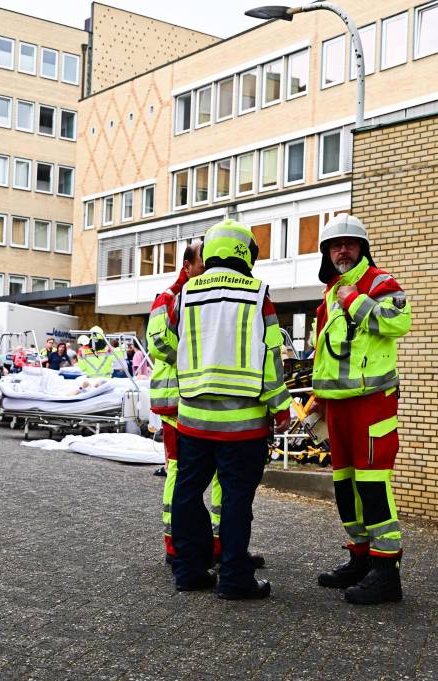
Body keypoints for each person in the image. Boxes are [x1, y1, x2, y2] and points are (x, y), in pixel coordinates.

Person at [166, 221, 291, 599]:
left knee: (187, 494)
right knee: (237, 500)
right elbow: (271, 356)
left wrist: (198, 376)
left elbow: (170, 345)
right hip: (244, 423)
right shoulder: (258, 293)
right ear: (245, 252)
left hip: (194, 418)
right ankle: (235, 579)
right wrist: (280, 405)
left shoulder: (184, 293)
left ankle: (189, 571)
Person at [311, 214, 412, 605]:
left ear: (362, 247)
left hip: (372, 403)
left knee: (372, 486)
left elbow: (398, 321)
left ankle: (387, 572)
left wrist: (354, 300)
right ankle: (360, 558)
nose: (342, 249)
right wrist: (319, 396)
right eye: (335, 245)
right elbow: (326, 349)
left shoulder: (380, 283)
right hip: (337, 407)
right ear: (326, 252)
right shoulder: (330, 290)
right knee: (345, 488)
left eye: (350, 243)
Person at [147, 241, 224, 566]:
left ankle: (223, 543)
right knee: (179, 471)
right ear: (187, 266)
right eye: (204, 266)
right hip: (177, 402)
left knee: (220, 473)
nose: (209, 273)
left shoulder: (208, 298)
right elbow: (158, 343)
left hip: (202, 399)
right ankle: (175, 543)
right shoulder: (167, 299)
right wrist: (197, 355)